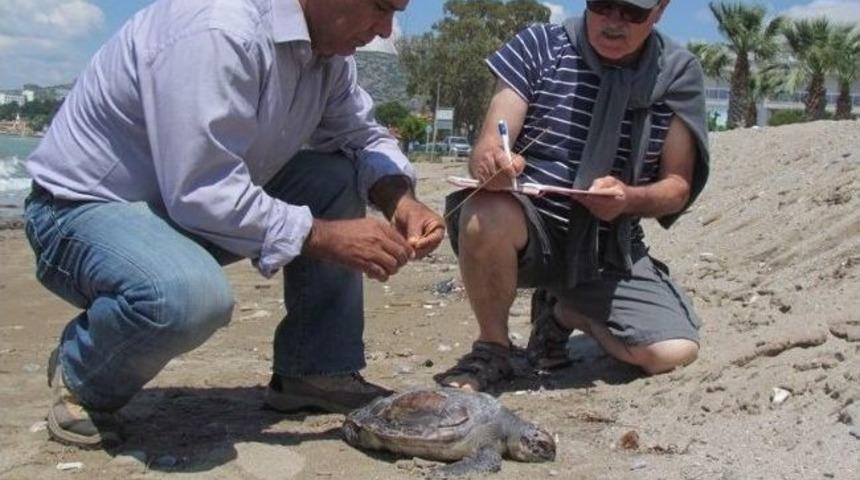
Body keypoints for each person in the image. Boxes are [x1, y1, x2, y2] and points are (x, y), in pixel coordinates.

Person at [24, 0, 445, 449]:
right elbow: (202, 190)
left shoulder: (327, 54)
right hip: (79, 212)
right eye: (380, 8)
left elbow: (360, 136)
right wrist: (323, 236)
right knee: (186, 297)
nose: (385, 30)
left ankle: (316, 371)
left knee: (334, 176)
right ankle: (83, 374)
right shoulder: (219, 28)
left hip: (183, 206)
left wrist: (401, 201)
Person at [435, 0, 710, 391]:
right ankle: (492, 348)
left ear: (660, 10)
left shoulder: (677, 73)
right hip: (531, 230)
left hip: (611, 248)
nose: (613, 22)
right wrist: (492, 164)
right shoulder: (539, 45)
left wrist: (628, 199)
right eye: (603, 5)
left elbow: (676, 187)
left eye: (632, 12)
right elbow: (487, 147)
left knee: (672, 351)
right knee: (485, 210)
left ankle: (564, 312)